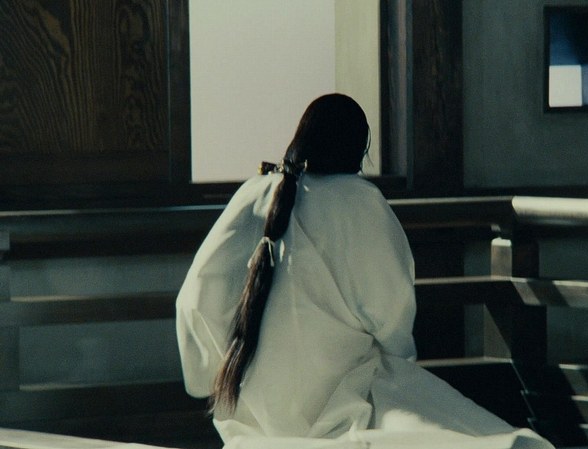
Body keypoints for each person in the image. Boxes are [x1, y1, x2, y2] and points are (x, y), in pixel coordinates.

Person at [175, 93, 554, 449]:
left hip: (254, 411)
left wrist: (216, 372)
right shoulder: (360, 203)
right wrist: (395, 358)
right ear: (358, 150)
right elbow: (391, 312)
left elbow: (195, 298)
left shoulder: (254, 193)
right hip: (344, 395)